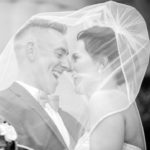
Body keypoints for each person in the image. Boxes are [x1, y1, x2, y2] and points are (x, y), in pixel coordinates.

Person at [65, 1, 150, 150]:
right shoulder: (118, 100)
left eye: (76, 57)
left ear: (102, 63)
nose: (69, 66)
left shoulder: (104, 100)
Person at [0, 17, 81, 150]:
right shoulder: (3, 104)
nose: (67, 65)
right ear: (31, 51)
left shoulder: (70, 120)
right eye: (59, 54)